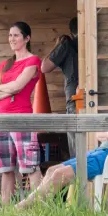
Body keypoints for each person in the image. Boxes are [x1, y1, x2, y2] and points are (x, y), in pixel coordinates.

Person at [16, 62, 108, 209]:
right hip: (103, 154)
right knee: (52, 170)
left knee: (59, 175)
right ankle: (33, 208)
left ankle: (24, 209)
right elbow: (105, 128)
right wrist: (107, 134)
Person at [0, 21, 43, 203]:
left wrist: (3, 89)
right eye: (10, 35)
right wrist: (8, 89)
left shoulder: (33, 61)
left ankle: (39, 209)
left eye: (16, 35)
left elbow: (19, 86)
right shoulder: (5, 64)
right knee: (6, 168)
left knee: (30, 167)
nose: (12, 39)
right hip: (2, 119)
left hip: (22, 117)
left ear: (27, 38)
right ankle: (6, 212)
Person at [41, 17, 79, 156]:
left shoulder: (67, 44)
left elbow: (44, 67)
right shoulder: (96, 41)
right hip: (96, 97)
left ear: (72, 31)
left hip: (75, 98)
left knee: (76, 140)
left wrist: (57, 44)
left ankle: (78, 174)